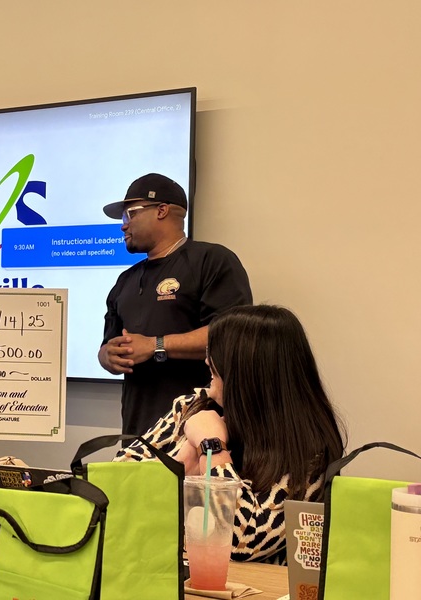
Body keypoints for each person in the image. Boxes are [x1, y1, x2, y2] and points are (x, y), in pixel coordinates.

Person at [116, 304, 346, 564]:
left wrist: (212, 449)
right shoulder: (193, 406)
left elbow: (240, 542)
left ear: (249, 372)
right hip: (161, 572)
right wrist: (177, 467)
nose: (206, 361)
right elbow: (115, 481)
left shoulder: (308, 447)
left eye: (216, 355)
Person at [99, 173, 252, 434]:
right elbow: (108, 346)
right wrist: (107, 357)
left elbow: (233, 336)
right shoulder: (125, 280)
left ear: (161, 210)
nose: (123, 226)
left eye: (130, 214)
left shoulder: (212, 260)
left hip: (201, 433)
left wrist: (155, 345)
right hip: (139, 432)